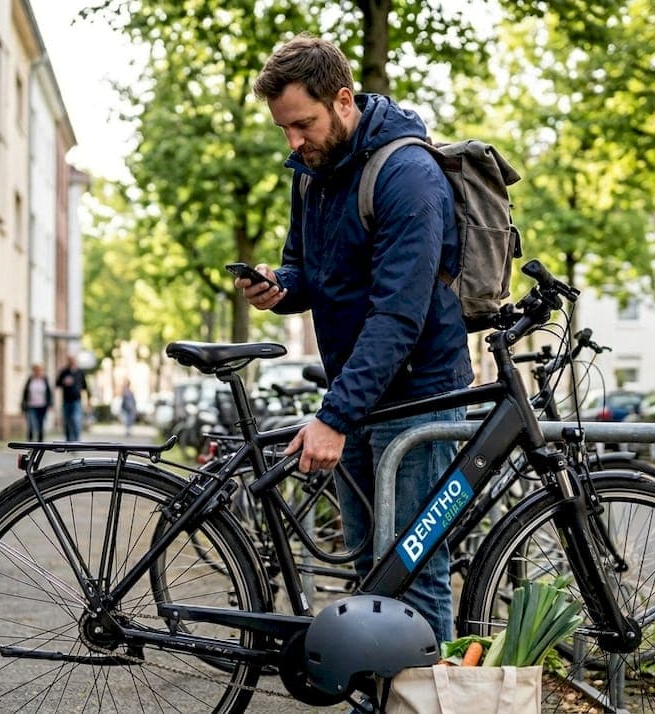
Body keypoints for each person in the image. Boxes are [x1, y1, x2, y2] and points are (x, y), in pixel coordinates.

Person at [239, 35, 473, 643]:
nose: (293, 141)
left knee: (415, 575)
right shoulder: (313, 172)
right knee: (372, 574)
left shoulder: (409, 175)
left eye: (303, 124)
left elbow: (399, 316)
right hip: (359, 391)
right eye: (284, 129)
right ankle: (380, 698)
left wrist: (334, 417)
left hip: (419, 399)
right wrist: (279, 287)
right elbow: (307, 268)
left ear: (343, 100)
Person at [55, 355, 89, 442]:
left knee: (76, 420)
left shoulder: (80, 372)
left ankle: (76, 440)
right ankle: (68, 440)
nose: (72, 362)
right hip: (66, 400)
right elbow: (57, 384)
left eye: (73, 360)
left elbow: (85, 386)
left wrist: (87, 400)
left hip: (77, 400)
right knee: (67, 421)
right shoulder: (64, 371)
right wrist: (64, 382)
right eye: (70, 360)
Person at [20, 363, 52, 441]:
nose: (37, 372)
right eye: (36, 370)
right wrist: (23, 403)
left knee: (40, 424)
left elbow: (49, 392)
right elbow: (25, 391)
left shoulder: (45, 379)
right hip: (31, 405)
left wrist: (50, 403)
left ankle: (40, 442)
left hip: (42, 406)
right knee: (31, 424)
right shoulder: (30, 379)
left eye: (39, 370)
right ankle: (30, 442)